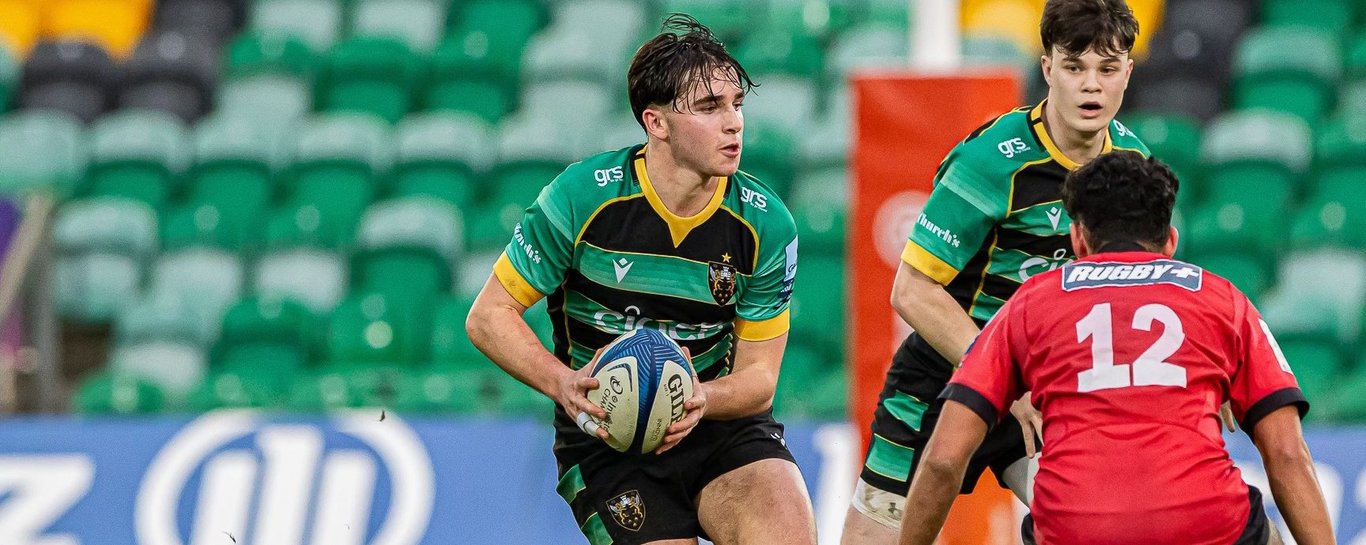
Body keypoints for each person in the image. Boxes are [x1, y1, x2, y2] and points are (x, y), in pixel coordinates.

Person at [465, 14, 816, 545]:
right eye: (709, 107)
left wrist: (699, 399)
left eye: (737, 104)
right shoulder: (582, 197)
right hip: (611, 440)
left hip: (719, 429)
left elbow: (760, 380)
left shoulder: (766, 224)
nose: (734, 123)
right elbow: (488, 317)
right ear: (657, 123)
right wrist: (562, 383)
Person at [897, 151, 1335, 545]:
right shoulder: (1222, 299)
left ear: (1078, 241)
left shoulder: (1028, 304)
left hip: (1074, 529)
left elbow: (943, 460)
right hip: (1204, 523)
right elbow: (1286, 453)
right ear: (1171, 243)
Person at [842, 0, 1151, 541]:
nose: (1091, 87)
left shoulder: (1133, 166)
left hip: (1049, 387)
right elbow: (911, 290)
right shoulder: (992, 161)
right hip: (942, 377)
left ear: (1128, 70)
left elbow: (1139, 292)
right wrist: (1002, 379)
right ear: (1048, 67)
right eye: (1074, 67)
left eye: (1107, 69)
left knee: (1104, 528)